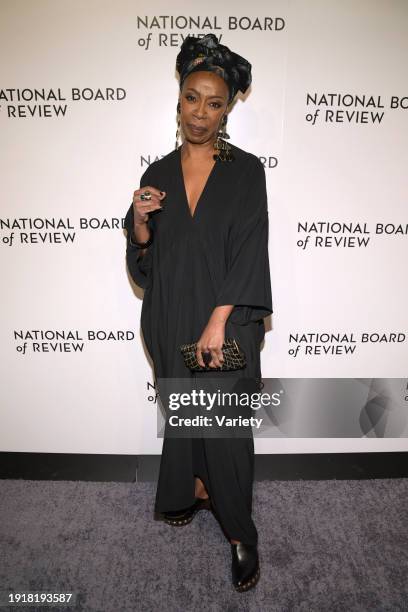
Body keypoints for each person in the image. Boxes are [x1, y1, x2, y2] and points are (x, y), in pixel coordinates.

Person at [124, 33, 273, 592]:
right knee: (186, 418)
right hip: (170, 314)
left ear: (229, 107)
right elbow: (145, 259)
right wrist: (139, 223)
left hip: (227, 317)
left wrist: (218, 318)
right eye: (192, 98)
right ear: (179, 98)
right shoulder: (157, 173)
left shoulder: (246, 170)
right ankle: (193, 490)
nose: (201, 114)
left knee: (227, 428)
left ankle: (240, 533)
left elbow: (250, 248)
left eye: (215, 102)